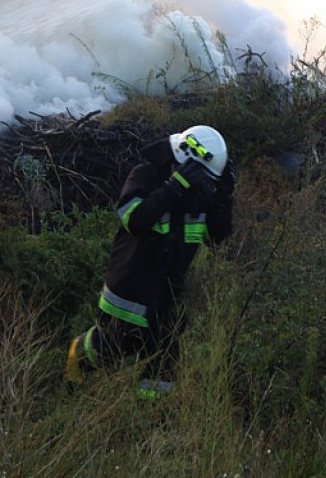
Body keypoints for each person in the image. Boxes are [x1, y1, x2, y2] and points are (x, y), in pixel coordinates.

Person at [64, 125, 235, 398]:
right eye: (200, 176)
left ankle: (152, 413)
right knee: (112, 348)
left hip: (167, 296)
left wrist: (224, 198)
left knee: (164, 361)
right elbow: (135, 220)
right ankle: (78, 353)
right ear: (185, 160)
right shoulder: (146, 176)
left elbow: (216, 236)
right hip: (130, 291)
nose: (204, 183)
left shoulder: (198, 196)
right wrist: (173, 188)